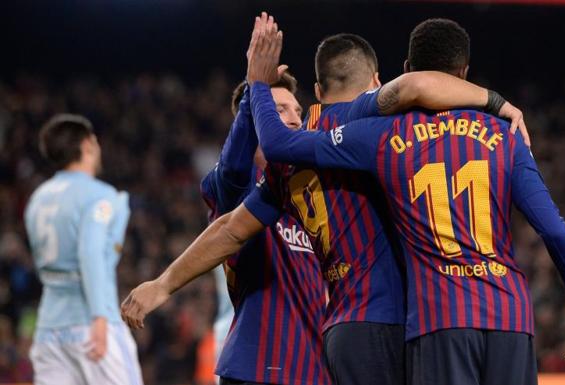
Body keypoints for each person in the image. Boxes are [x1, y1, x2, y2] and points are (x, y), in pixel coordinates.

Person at [122, 13, 527, 385]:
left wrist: (164, 283)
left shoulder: (295, 158)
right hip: (392, 323)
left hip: (339, 331)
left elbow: (230, 229)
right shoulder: (373, 126)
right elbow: (419, 84)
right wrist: (499, 104)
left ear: (317, 91)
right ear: (375, 82)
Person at [247, 18, 565, 385]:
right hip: (509, 315)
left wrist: (258, 84)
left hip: (438, 320)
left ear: (404, 71)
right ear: (463, 71)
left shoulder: (382, 136)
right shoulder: (505, 136)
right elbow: (555, 231)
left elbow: (278, 146)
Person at [199, 67, 331, 385]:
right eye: (279, 109)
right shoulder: (238, 190)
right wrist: (255, 86)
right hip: (260, 368)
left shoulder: (309, 199)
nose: (295, 118)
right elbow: (233, 166)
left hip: (315, 367)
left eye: (298, 111)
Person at [24, 114, 142, 385]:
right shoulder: (100, 196)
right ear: (88, 144)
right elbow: (91, 255)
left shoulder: (37, 198)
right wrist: (99, 317)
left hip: (48, 329)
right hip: (91, 323)